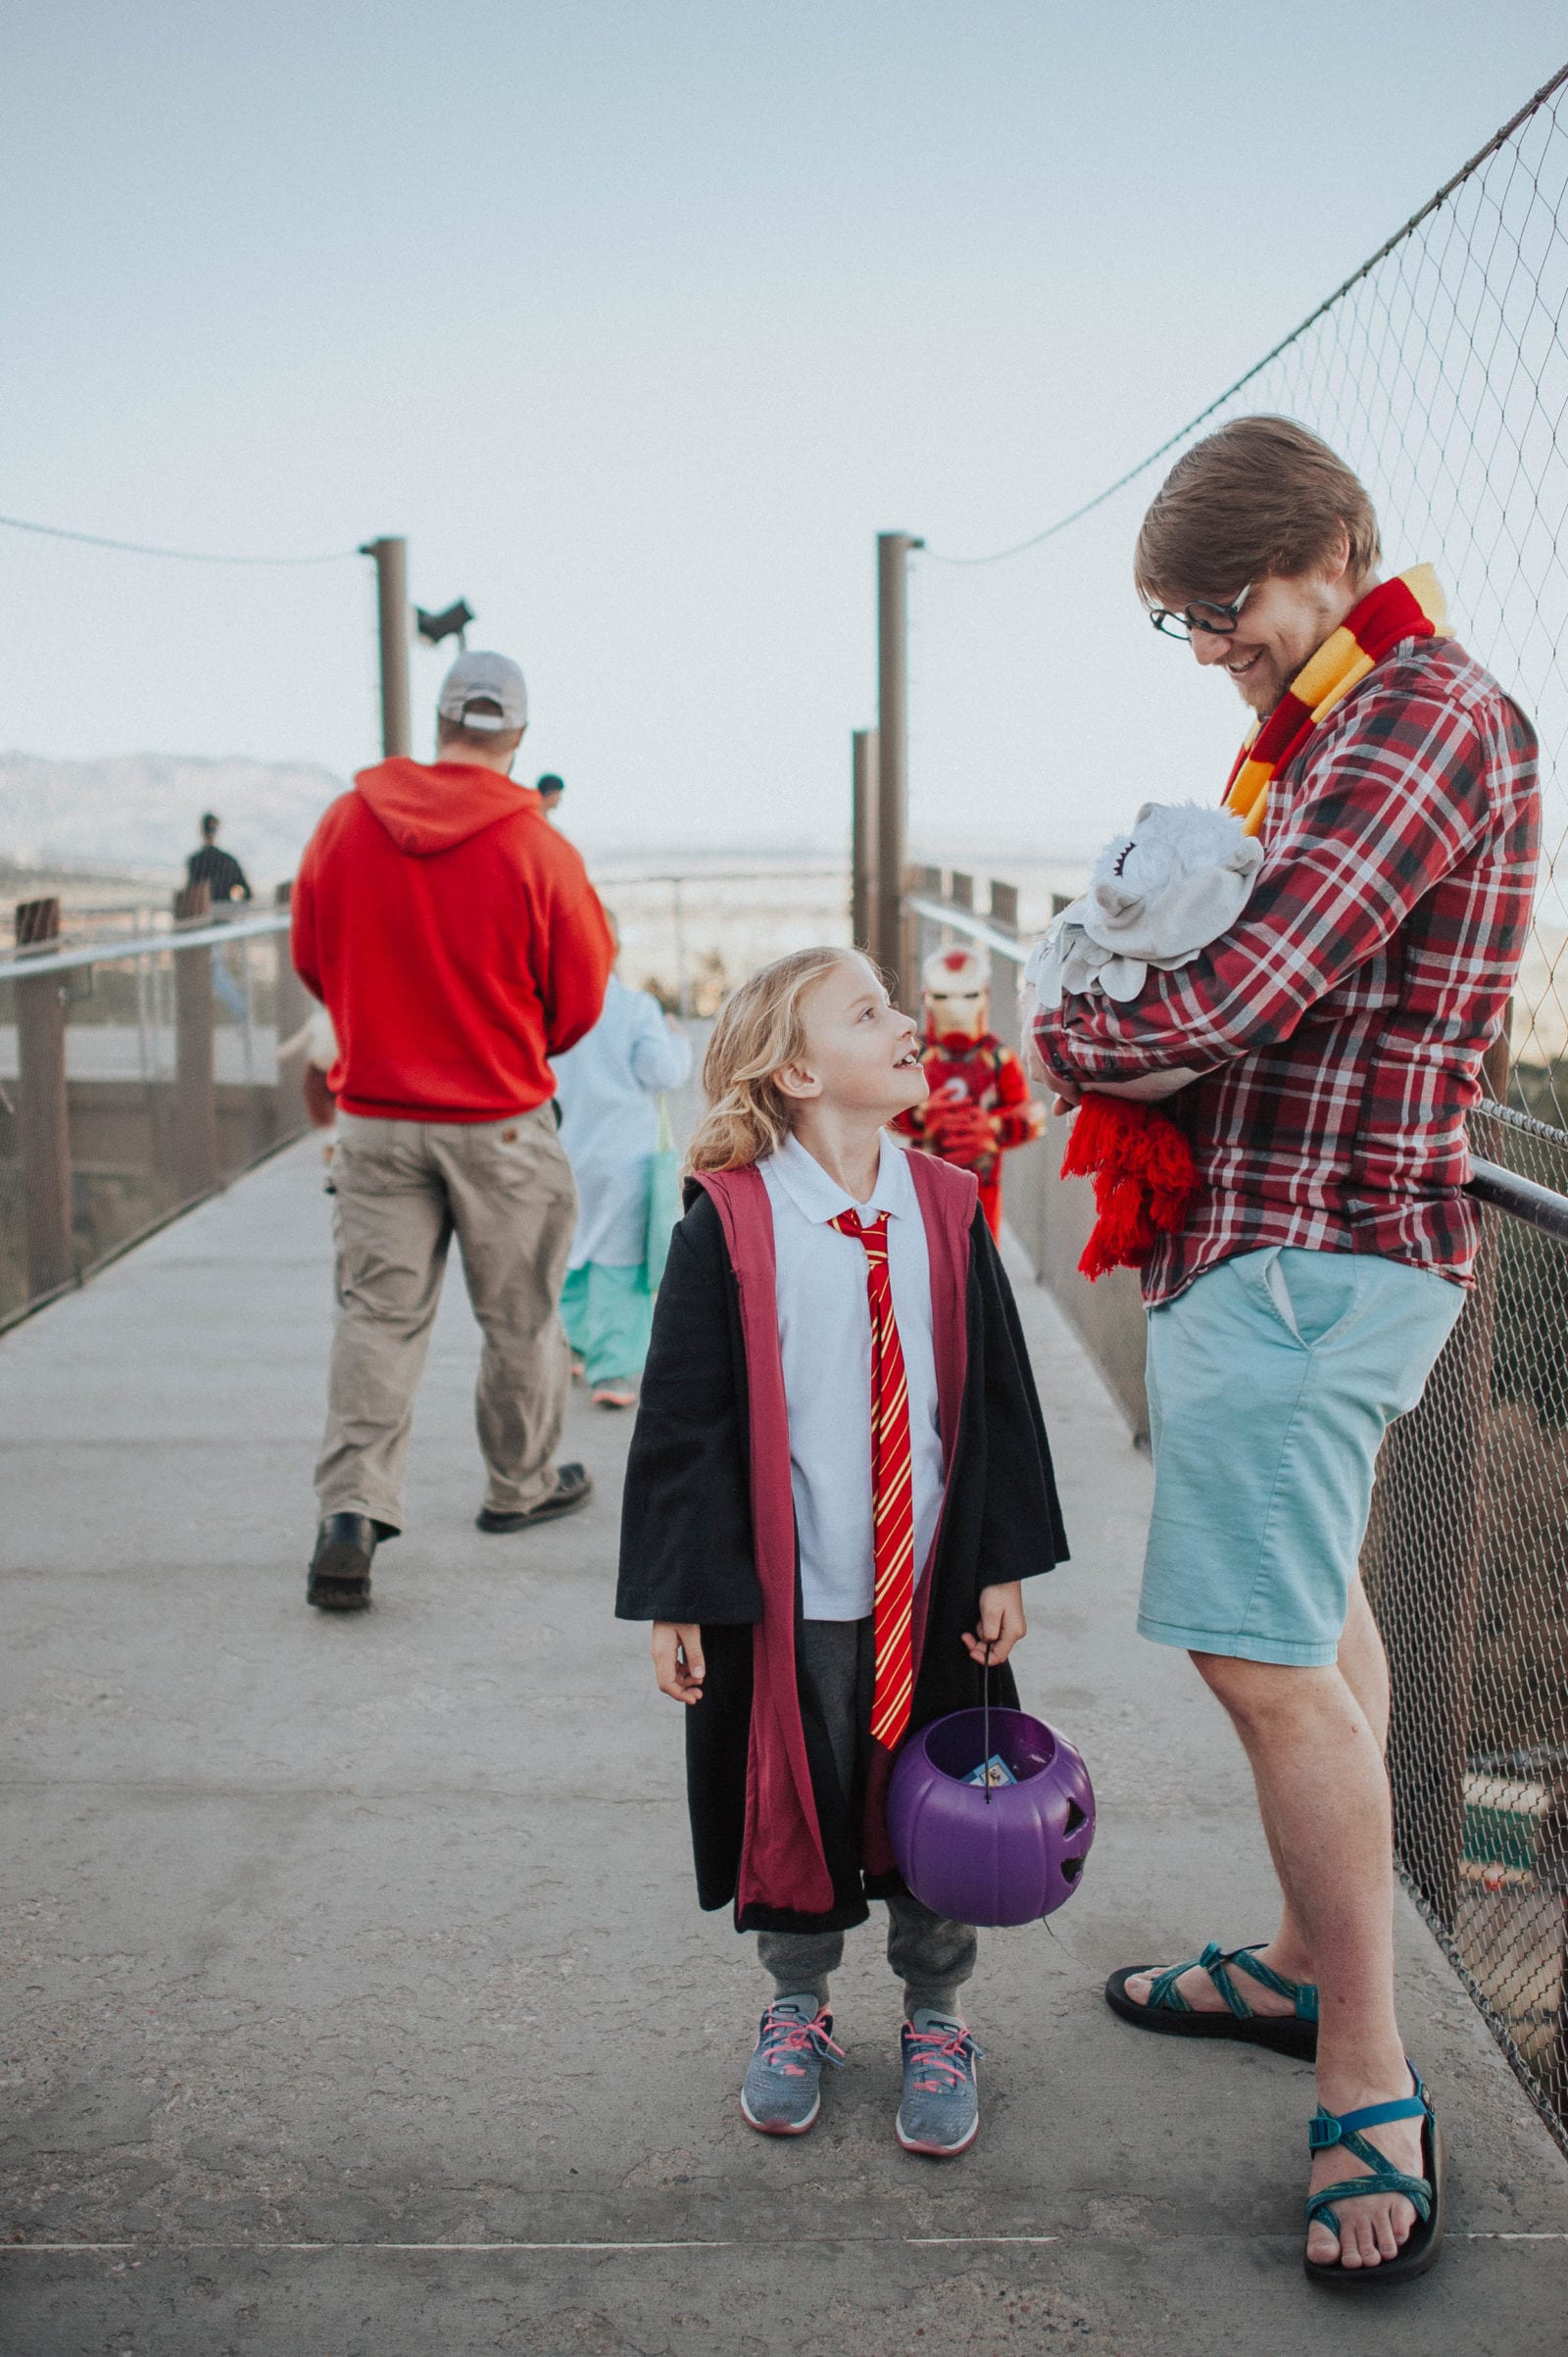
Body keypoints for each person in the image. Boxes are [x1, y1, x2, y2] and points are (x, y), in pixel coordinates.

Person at [1035, 417, 1540, 2286]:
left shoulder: (1415, 718)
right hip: (1297, 1249)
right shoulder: (1335, 724)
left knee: (1266, 1671)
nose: (1210, 648)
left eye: (1217, 607)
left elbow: (1241, 990)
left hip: (1318, 1260)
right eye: (1183, 624)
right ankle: (1302, 1956)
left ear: (1325, 549)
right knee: (1315, 1620)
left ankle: (1369, 2074)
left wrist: (1066, 1027)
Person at [616, 947, 1067, 2156]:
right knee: (800, 1802)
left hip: (925, 1584)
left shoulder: (946, 1204)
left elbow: (997, 1404)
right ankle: (798, 2003)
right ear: (798, 1067)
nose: (910, 1020)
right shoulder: (733, 1223)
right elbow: (684, 1420)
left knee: (938, 1808)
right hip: (792, 1592)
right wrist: (676, 1596)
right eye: (869, 1011)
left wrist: (997, 1560)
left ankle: (936, 2012)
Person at [291, 650, 615, 1612]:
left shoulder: (346, 822)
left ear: (439, 721)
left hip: (377, 1119)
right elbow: (582, 993)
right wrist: (514, 1042)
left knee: (375, 1318)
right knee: (519, 1315)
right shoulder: (538, 848)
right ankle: (517, 1486)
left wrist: (382, 1022)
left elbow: (314, 956)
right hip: (501, 1122)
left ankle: (350, 1513)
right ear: (515, 736)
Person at [554, 934, 694, 1408]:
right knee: (621, 1259)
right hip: (623, 1155)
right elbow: (663, 1073)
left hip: (565, 1147)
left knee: (574, 1248)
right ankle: (610, 1372)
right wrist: (678, 1039)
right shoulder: (635, 1008)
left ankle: (571, 1343)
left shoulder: (548, 1008)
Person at [894, 943, 1044, 1240]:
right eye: (944, 996)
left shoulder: (998, 1058)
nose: (956, 1006)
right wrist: (922, 1116)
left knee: (979, 1261)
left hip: (982, 1187)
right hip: (923, 1183)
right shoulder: (914, 1054)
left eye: (967, 995)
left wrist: (994, 1128)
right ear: (927, 997)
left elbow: (1033, 1115)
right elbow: (883, 1110)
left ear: (983, 996)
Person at [186, 811, 252, 908]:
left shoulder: (195, 861)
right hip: (226, 915)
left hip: (203, 918)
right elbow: (247, 893)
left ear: (202, 831)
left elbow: (191, 894)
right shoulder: (229, 861)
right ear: (217, 830)